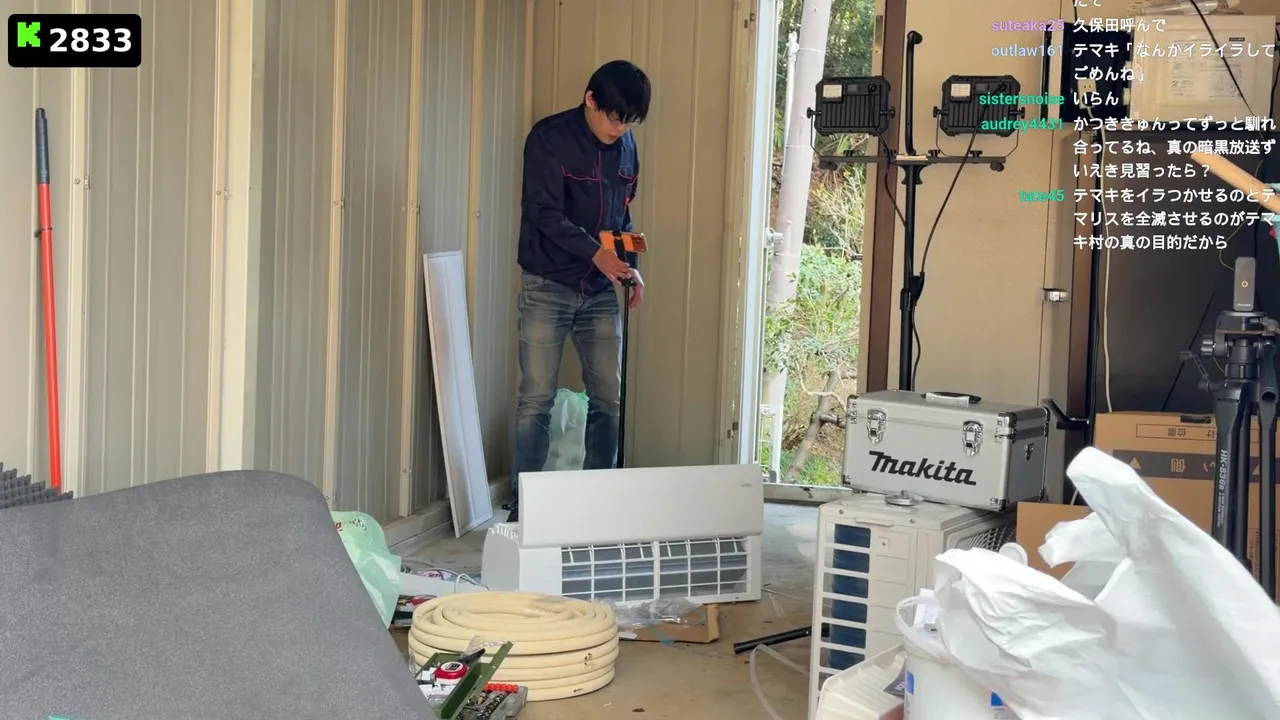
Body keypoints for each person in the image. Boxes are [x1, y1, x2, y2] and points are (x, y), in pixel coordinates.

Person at [507, 60, 652, 521]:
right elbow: (542, 213)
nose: (620, 128)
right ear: (591, 99)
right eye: (614, 117)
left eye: (629, 122)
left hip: (599, 289)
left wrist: (629, 268)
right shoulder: (548, 138)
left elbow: (622, 218)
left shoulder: (626, 147)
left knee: (609, 398)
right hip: (547, 284)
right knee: (536, 399)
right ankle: (524, 511)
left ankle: (599, 507)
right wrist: (595, 254)